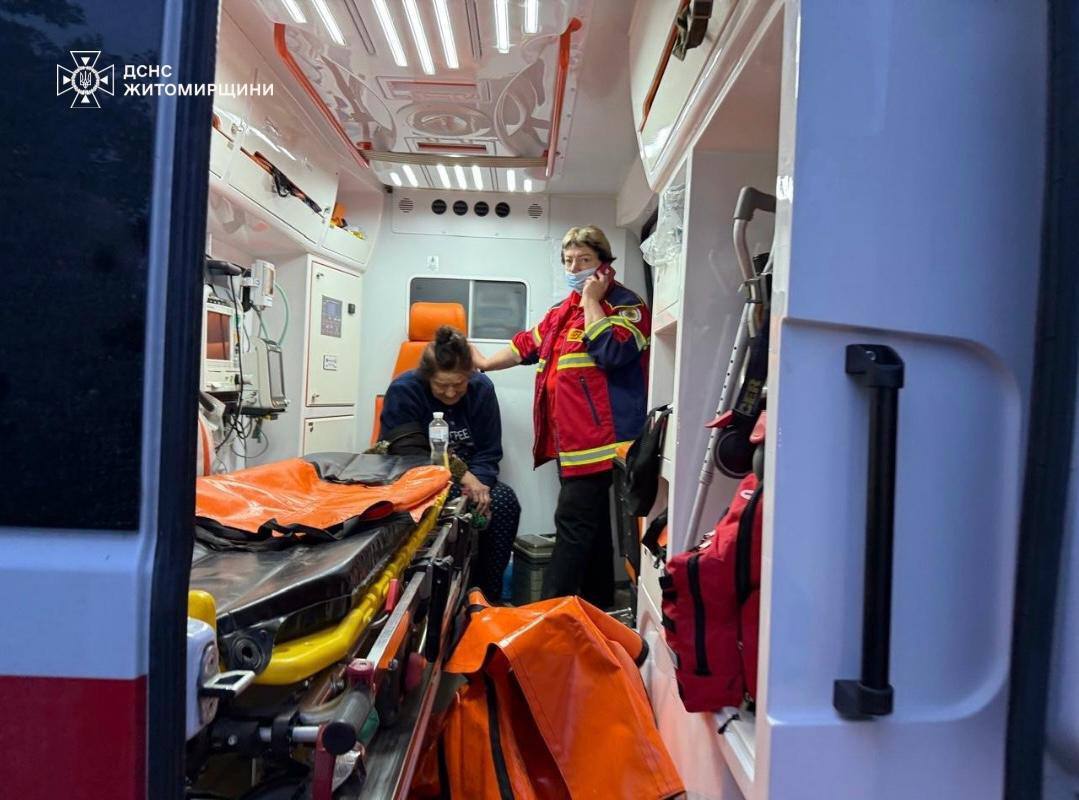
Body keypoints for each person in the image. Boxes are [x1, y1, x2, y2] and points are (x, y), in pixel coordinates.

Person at [471, 225, 651, 609]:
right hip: (568, 443)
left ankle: (548, 613)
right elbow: (525, 346)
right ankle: (596, 605)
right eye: (568, 260)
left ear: (604, 263)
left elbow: (611, 351)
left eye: (584, 260)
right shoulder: (560, 312)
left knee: (571, 524)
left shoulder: (626, 307)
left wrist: (592, 300)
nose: (574, 268)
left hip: (601, 442)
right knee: (593, 530)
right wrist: (484, 363)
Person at [380, 325, 520, 602]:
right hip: (417, 474)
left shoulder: (481, 389)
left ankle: (485, 596)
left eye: (459, 384)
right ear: (427, 377)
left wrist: (480, 484)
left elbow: (489, 450)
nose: (450, 393)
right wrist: (463, 477)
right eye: (442, 385)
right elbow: (408, 451)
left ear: (470, 374)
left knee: (505, 502)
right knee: (442, 503)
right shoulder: (404, 390)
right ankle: (429, 599)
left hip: (472, 475)